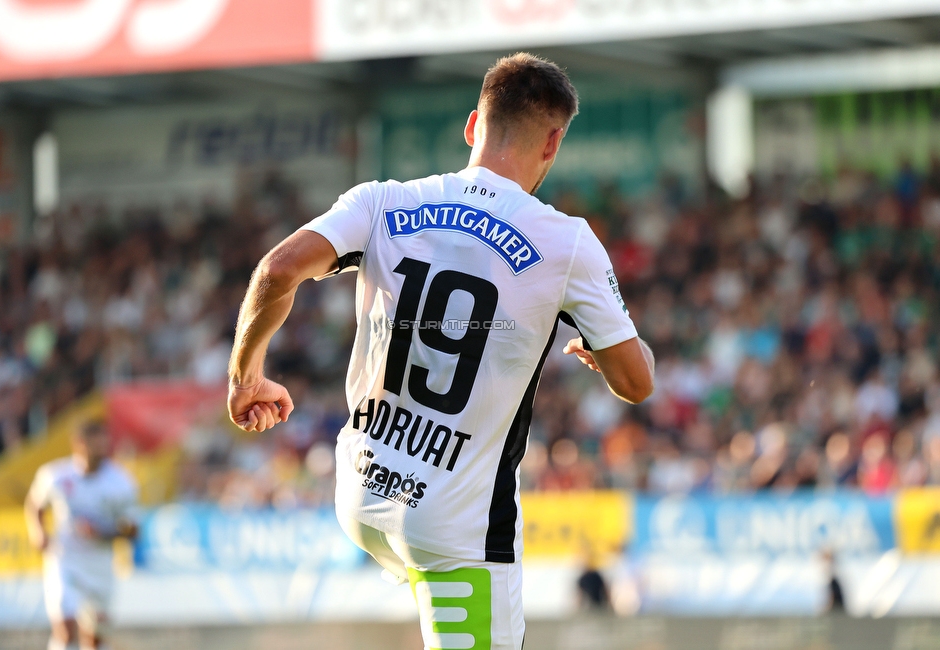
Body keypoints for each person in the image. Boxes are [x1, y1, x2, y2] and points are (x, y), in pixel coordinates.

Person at [227, 52, 655, 650]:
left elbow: (277, 270)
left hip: (363, 493)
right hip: (454, 526)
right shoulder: (567, 242)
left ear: (472, 126)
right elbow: (636, 382)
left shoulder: (379, 201)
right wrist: (604, 350)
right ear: (553, 143)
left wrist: (245, 376)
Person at [25, 421, 138, 650]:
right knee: (66, 630)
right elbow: (35, 504)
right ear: (79, 444)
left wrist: (104, 533)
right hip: (65, 560)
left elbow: (133, 529)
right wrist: (39, 532)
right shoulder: (55, 475)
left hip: (100, 566)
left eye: (104, 443)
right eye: (95, 443)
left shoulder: (121, 482)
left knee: (96, 638)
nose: (101, 449)